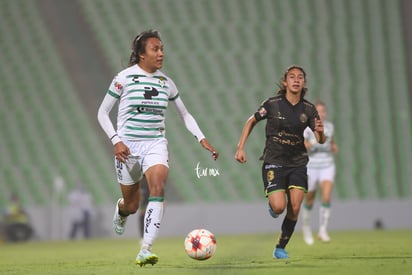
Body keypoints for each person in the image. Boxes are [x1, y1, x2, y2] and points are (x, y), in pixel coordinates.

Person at [97, 29, 219, 267]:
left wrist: (201, 138)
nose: (161, 53)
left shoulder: (166, 83)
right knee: (132, 205)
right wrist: (116, 140)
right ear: (142, 54)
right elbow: (102, 112)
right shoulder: (124, 78)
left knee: (158, 187)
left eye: (162, 48)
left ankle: (146, 248)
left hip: (155, 143)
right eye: (155, 49)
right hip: (127, 148)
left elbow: (184, 114)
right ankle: (121, 210)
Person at [235, 65, 325, 259]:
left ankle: (280, 248)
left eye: (300, 77)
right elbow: (251, 120)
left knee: (295, 206)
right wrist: (240, 147)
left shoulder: (309, 109)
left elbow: (320, 140)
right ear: (285, 82)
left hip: (298, 162)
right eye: (292, 77)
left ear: (304, 83)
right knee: (279, 207)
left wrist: (320, 131)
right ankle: (274, 206)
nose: (296, 80)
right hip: (274, 160)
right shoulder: (272, 103)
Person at [301, 100, 338, 245]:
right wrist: (315, 143)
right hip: (311, 166)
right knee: (309, 199)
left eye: (323, 111)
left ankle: (322, 231)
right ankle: (306, 227)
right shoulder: (307, 128)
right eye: (318, 111)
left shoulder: (329, 127)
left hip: (327, 165)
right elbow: (303, 146)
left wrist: (334, 146)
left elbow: (331, 142)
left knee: (327, 197)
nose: (321, 113)